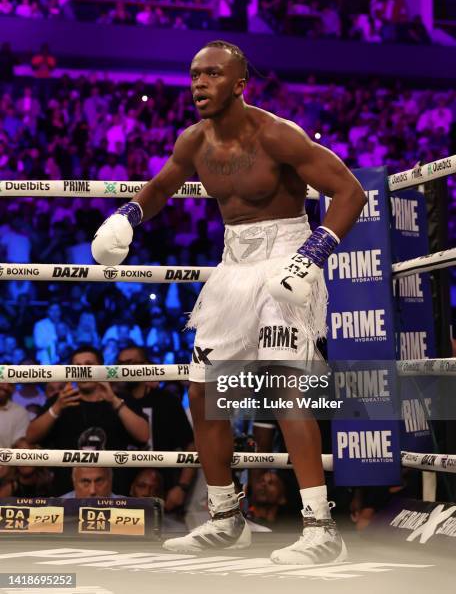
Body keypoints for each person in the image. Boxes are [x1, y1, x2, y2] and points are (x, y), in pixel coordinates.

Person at [91, 40, 367, 565]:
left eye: (213, 74)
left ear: (240, 83)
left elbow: (350, 191)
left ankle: (321, 528)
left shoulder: (277, 134)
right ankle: (224, 518)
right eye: (195, 74)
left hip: (288, 258)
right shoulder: (193, 142)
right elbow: (161, 186)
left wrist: (311, 256)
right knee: (203, 394)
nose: (200, 83)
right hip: (233, 267)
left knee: (284, 388)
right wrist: (125, 216)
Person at [26, 345, 149, 495]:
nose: (83, 371)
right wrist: (56, 408)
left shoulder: (121, 399)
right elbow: (31, 436)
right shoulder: (61, 401)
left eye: (89, 365)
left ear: (101, 368)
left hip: (113, 494)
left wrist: (114, 401)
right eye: (77, 366)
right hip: (68, 495)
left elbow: (143, 435)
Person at [116, 345, 195, 511]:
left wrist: (182, 487)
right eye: (121, 363)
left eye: (131, 363)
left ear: (146, 365)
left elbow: (190, 444)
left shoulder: (167, 401)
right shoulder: (113, 401)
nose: (125, 368)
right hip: (119, 493)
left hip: (163, 491)